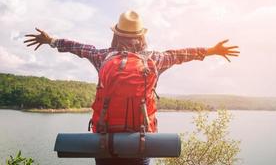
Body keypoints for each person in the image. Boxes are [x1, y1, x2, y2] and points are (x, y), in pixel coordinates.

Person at [24, 10, 239, 165]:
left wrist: (50, 40)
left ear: (116, 34)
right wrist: (211, 50)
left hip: (103, 142)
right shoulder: (154, 58)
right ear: (141, 36)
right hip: (142, 142)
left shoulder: (103, 56)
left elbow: (78, 47)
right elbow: (181, 54)